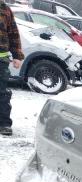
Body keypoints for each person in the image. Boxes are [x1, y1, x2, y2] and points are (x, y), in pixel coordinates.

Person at [1, 0, 24, 137]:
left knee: (2, 93)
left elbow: (13, 33)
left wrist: (17, 55)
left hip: (1, 60)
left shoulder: (5, 9)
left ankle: (4, 123)